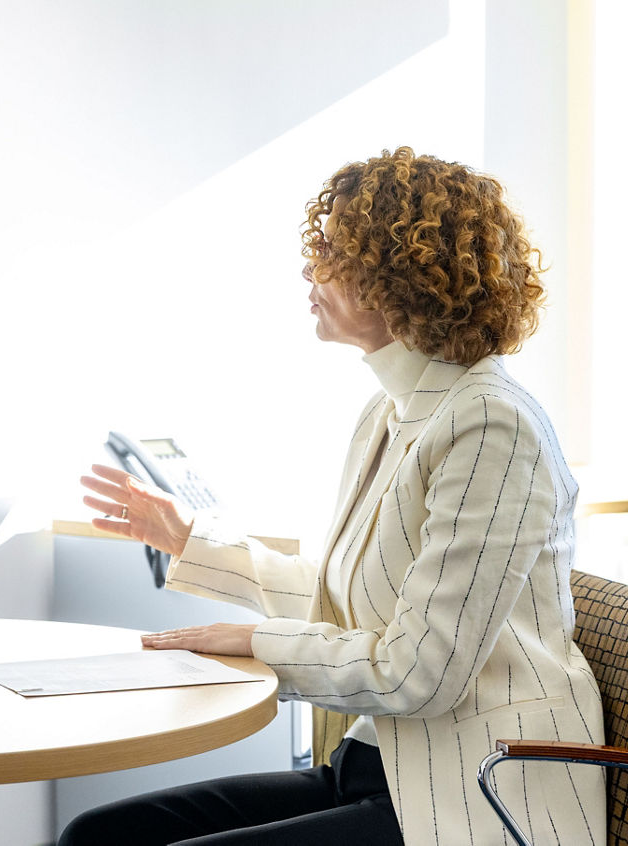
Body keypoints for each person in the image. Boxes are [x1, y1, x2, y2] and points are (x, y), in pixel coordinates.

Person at [63, 147, 605, 846]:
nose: (310, 269)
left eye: (334, 251)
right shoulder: (391, 413)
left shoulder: (490, 423)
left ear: (403, 275)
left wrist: (258, 643)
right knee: (99, 836)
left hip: (472, 789)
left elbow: (419, 673)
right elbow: (346, 603)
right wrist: (186, 539)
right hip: (381, 765)